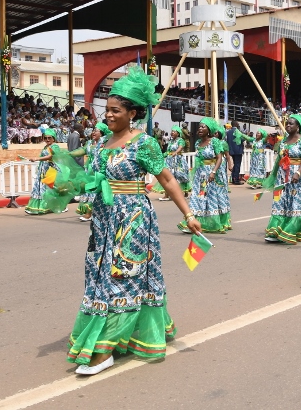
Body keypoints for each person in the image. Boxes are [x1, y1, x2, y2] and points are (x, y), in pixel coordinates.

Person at [66, 67, 201, 375]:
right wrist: (82, 200)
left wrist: (189, 214)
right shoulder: (101, 145)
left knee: (123, 276)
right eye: (107, 110)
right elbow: (94, 178)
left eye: (115, 111)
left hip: (133, 221)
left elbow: (166, 179)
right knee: (99, 278)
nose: (108, 115)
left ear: (133, 113)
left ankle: (105, 348)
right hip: (103, 221)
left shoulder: (144, 144)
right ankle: (116, 334)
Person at [264, 114, 301, 244]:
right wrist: (274, 173)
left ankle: (293, 229)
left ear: (298, 127)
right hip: (282, 175)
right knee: (280, 202)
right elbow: (279, 157)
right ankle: (276, 229)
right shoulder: (284, 141)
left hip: (297, 176)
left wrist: (298, 173)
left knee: (296, 202)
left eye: (291, 124)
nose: (288, 126)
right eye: (287, 124)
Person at [178, 117, 232, 233]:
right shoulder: (198, 143)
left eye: (203, 127)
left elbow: (219, 158)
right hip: (201, 176)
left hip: (212, 175)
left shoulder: (215, 141)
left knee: (211, 198)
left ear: (209, 130)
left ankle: (214, 222)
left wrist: (213, 172)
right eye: (200, 127)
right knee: (199, 197)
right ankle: (194, 222)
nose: (200, 129)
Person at [75, 123, 110, 223]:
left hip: (98, 171)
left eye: (96, 130)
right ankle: (91, 212)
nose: (93, 132)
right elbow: (82, 151)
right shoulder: (90, 143)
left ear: (102, 133)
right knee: (88, 190)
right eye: (93, 130)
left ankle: (89, 214)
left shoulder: (105, 144)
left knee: (94, 191)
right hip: (89, 170)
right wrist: (68, 154)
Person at [25, 129, 64, 215]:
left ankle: (56, 205)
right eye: (45, 138)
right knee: (41, 187)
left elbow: (50, 157)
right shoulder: (45, 147)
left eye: (49, 138)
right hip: (43, 170)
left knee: (49, 188)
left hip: (51, 170)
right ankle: (38, 207)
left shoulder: (54, 146)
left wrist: (37, 159)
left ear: (53, 138)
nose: (47, 140)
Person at [152, 126, 192, 201]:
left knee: (181, 176)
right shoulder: (170, 141)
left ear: (178, 133)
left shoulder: (181, 140)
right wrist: (161, 156)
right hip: (170, 162)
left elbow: (180, 147)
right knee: (168, 177)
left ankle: (185, 192)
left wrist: (176, 152)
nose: (172, 133)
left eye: (174, 131)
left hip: (179, 161)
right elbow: (168, 151)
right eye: (172, 131)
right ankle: (166, 195)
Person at [226, 120, 245, 185]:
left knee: (235, 164)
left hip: (231, 150)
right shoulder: (238, 131)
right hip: (238, 150)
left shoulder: (228, 132)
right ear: (236, 124)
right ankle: (236, 179)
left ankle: (233, 177)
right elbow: (242, 139)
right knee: (237, 165)